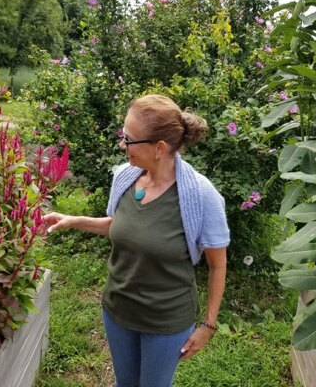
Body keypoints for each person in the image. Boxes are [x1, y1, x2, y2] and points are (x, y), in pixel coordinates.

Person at [43, 94, 230, 387]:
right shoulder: (126, 178)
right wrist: (74, 220)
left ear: (159, 148)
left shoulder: (200, 196)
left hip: (165, 322)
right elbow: (123, 227)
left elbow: (217, 266)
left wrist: (208, 324)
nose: (122, 145)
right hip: (117, 310)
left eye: (129, 139)